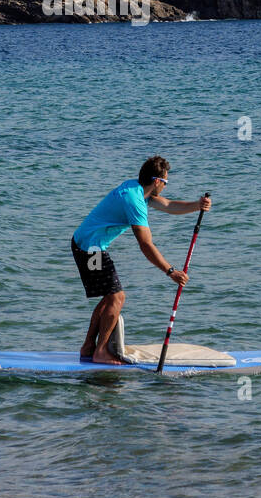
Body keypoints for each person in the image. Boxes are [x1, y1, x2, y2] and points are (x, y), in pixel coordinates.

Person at [71, 155, 212, 365]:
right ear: (156, 181)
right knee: (117, 298)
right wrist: (170, 270)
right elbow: (146, 244)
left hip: (86, 243)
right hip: (90, 248)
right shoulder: (134, 200)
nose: (165, 186)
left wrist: (197, 205)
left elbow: (168, 205)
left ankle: (88, 347)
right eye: (165, 182)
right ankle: (100, 351)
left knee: (110, 297)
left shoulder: (137, 189)